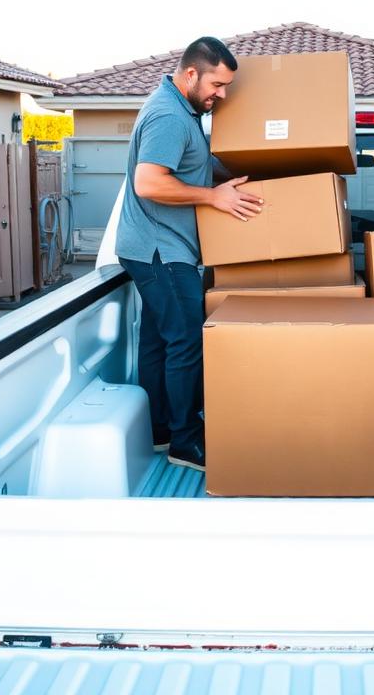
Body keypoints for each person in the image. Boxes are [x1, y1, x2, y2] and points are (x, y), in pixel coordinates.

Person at [116, 37, 264, 471]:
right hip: (160, 248)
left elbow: (188, 166)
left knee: (159, 341)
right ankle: (185, 441)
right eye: (217, 84)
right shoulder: (169, 115)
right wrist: (214, 197)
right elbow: (149, 182)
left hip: (151, 245)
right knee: (185, 340)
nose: (223, 94)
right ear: (192, 74)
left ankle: (160, 430)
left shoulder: (182, 110)